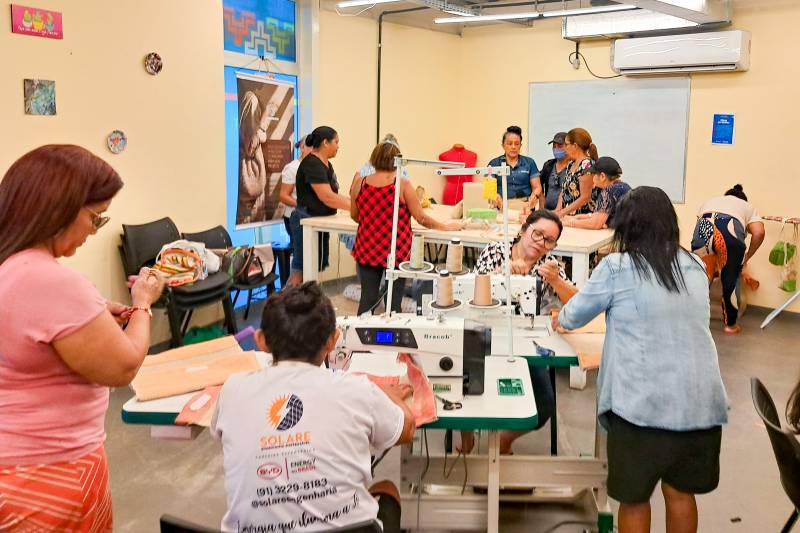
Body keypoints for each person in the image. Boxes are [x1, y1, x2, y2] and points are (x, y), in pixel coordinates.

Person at [0, 144, 165, 530]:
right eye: (95, 218)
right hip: (51, 472)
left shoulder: (11, 266)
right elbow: (123, 366)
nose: (94, 231)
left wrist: (91, 314)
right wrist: (142, 302)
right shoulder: (47, 279)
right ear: (58, 208)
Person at [555, 186, 728, 533]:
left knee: (634, 499)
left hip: (641, 407)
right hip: (699, 404)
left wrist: (557, 317)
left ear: (627, 226)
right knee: (680, 493)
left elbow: (572, 316)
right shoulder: (695, 266)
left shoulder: (617, 267)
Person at [212, 282, 415, 532]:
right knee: (386, 489)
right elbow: (406, 429)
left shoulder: (233, 391)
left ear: (261, 342)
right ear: (332, 341)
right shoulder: (356, 389)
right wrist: (386, 394)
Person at [460, 210, 577, 455]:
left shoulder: (550, 266)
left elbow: (578, 303)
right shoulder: (496, 252)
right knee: (465, 385)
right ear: (524, 230)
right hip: (484, 332)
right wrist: (502, 274)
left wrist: (557, 281)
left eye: (549, 240)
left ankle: (505, 440)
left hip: (527, 340)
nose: (541, 243)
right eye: (537, 234)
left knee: (544, 404)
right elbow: (470, 292)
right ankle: (467, 435)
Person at [350, 141, 463, 315]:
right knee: (393, 301)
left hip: (367, 247)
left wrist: (374, 222)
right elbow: (421, 217)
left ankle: (361, 331)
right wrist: (445, 227)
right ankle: (392, 330)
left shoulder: (360, 182)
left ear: (374, 158)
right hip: (395, 249)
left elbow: (355, 216)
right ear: (397, 161)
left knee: (367, 298)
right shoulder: (402, 185)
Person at [691, 184, 765, 334]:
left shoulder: (710, 201)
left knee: (702, 278)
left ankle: (693, 321)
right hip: (730, 233)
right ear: (743, 199)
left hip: (703, 227)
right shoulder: (747, 206)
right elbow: (759, 233)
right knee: (730, 281)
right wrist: (747, 256)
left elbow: (700, 226)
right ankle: (730, 325)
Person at [288, 126, 351, 285]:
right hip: (305, 220)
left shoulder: (326, 165)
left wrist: (354, 203)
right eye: (336, 142)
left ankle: (307, 298)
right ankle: (288, 299)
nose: (338, 146)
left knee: (313, 267)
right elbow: (327, 197)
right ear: (325, 142)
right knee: (301, 269)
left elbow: (333, 194)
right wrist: (356, 206)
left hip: (318, 221)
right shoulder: (312, 164)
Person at [239, 91, 280, 224]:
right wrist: (264, 121)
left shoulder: (252, 99)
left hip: (252, 183)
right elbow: (251, 145)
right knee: (250, 222)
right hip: (250, 182)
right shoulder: (252, 100)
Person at [562, 157, 631, 230]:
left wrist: (568, 223)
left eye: (593, 174)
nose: (592, 177)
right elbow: (599, 216)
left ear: (602, 176)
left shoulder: (608, 192)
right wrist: (578, 217)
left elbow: (595, 224)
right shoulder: (624, 186)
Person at [487, 126, 542, 210]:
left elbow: (537, 187)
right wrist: (494, 195)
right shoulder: (494, 164)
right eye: (509, 143)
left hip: (525, 206)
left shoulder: (529, 162)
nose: (513, 147)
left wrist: (535, 195)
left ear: (520, 145)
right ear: (503, 145)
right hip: (501, 206)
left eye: (516, 144)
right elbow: (488, 187)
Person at [279, 135, 312, 257]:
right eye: (311, 146)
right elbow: (283, 196)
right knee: (301, 257)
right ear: (302, 147)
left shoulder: (315, 168)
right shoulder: (292, 168)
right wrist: (304, 206)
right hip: (295, 218)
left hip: (310, 218)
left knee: (311, 256)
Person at [556, 127, 599, 217]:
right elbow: (564, 191)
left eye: (566, 144)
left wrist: (562, 212)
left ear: (575, 146)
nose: (564, 148)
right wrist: (557, 210)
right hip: (567, 217)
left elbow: (585, 197)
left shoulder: (587, 165)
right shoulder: (571, 164)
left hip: (582, 218)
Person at [539, 132, 570, 210]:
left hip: (566, 212)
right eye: (554, 146)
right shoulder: (548, 165)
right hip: (547, 211)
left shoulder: (573, 167)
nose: (556, 149)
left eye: (560, 146)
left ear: (568, 147)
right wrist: (541, 200)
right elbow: (538, 183)